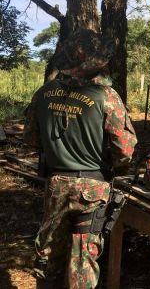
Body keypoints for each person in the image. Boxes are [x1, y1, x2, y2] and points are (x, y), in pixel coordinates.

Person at [23, 29, 138, 289]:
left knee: (49, 253)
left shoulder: (43, 93)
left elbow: (31, 140)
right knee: (83, 259)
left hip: (56, 186)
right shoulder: (106, 97)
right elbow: (125, 151)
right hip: (93, 189)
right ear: (96, 62)